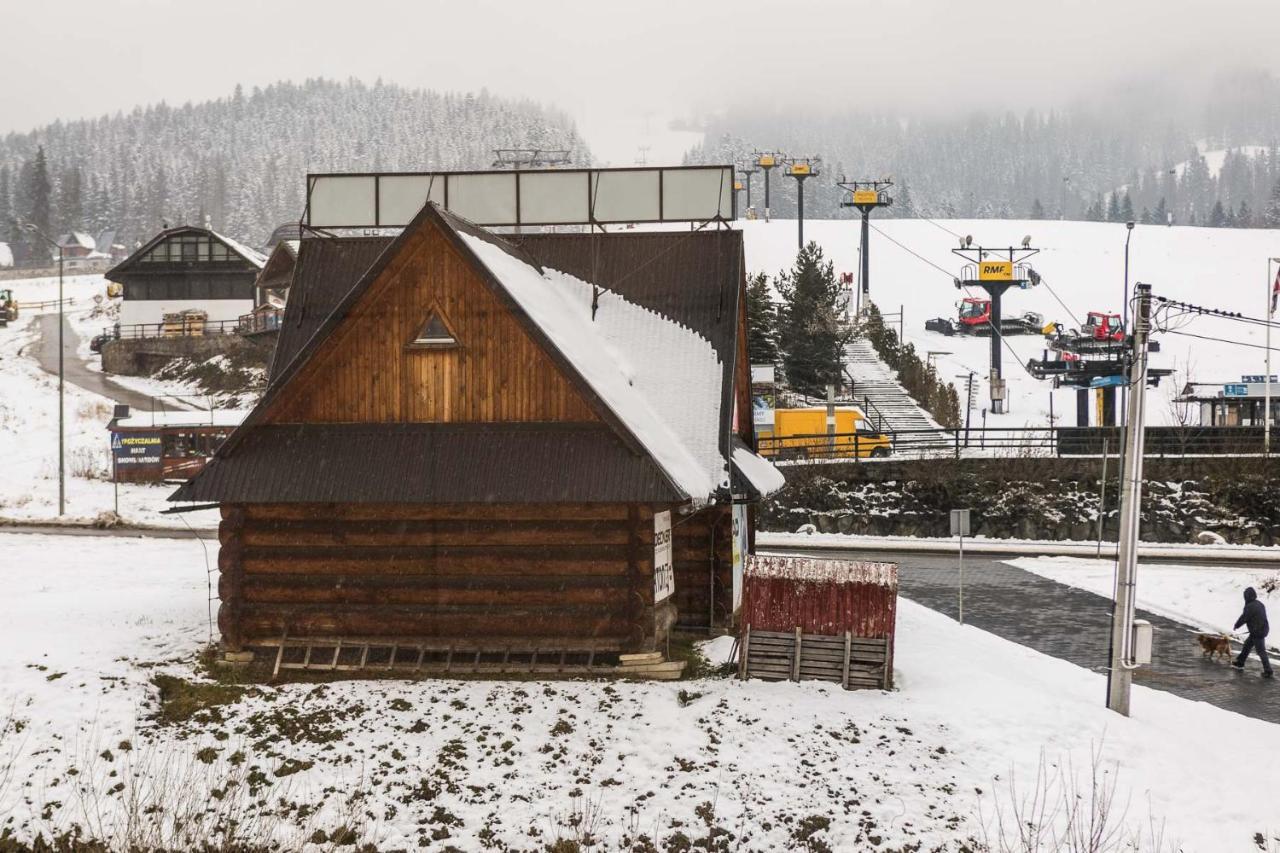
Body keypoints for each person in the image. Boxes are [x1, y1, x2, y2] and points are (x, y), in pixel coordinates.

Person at [1231, 587, 1273, 678]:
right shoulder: (1259, 604)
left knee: (1261, 651)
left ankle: (1268, 670)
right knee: (1247, 646)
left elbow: (1244, 618)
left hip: (1257, 632)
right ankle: (1240, 663)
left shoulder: (1249, 606)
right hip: (1260, 630)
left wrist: (1236, 625)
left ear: (1246, 597)